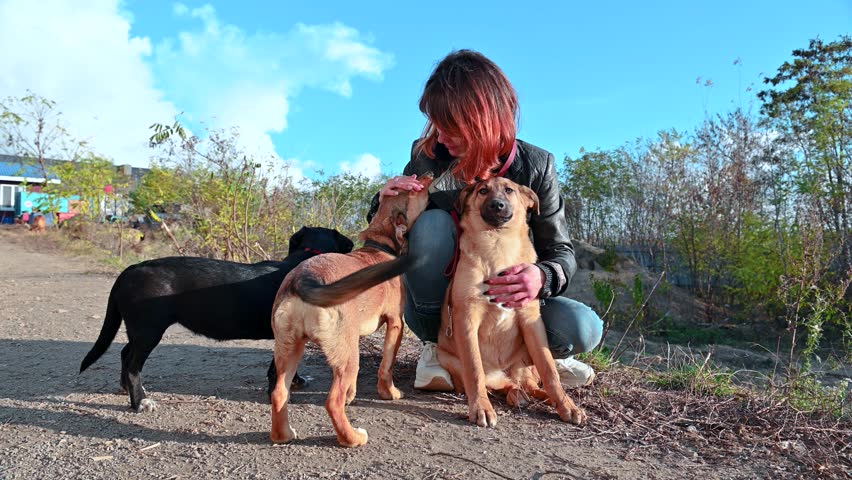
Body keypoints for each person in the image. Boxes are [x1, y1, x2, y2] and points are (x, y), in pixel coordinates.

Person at [366, 49, 602, 391]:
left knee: (583, 328)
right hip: (443, 305)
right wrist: (382, 200)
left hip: (506, 305)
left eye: (452, 128)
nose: (441, 137)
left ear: (485, 120)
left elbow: (561, 250)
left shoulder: (536, 166)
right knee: (432, 227)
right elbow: (391, 230)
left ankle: (529, 360)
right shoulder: (427, 157)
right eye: (437, 124)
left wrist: (541, 275)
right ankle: (437, 349)